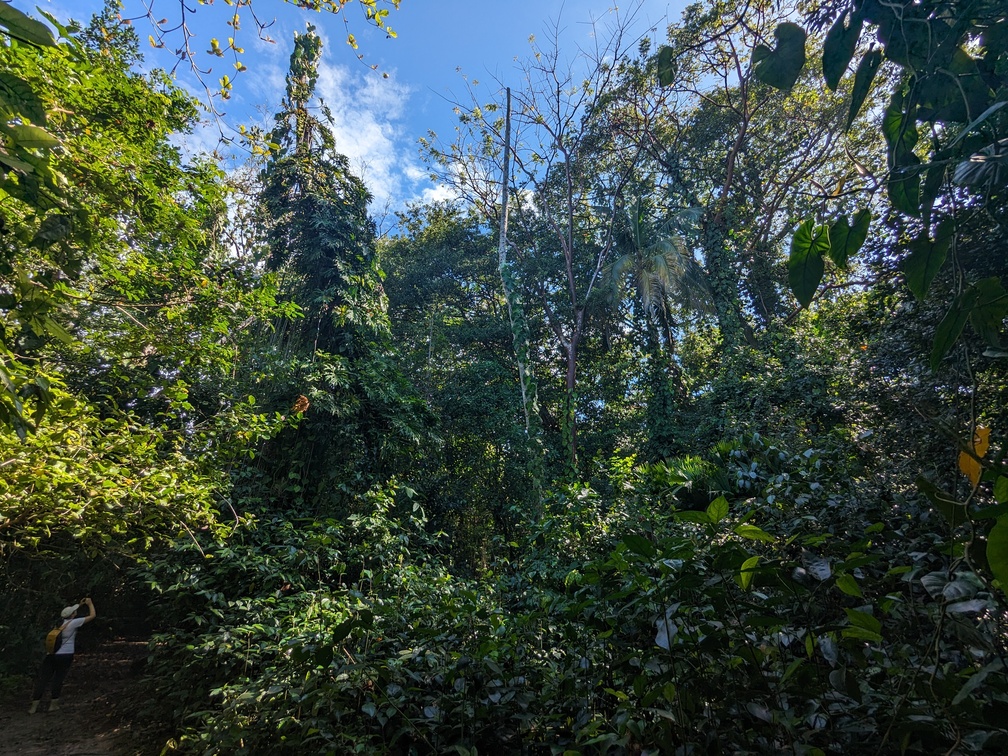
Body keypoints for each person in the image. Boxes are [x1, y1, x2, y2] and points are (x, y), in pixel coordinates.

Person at [28, 597, 97, 714]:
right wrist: (90, 604)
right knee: (58, 679)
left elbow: (70, 614)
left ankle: (33, 707)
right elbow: (92, 616)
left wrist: (79, 605)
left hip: (51, 654)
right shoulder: (74, 623)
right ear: (73, 615)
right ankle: (53, 705)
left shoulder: (58, 623)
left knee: (43, 680)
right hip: (65, 655)